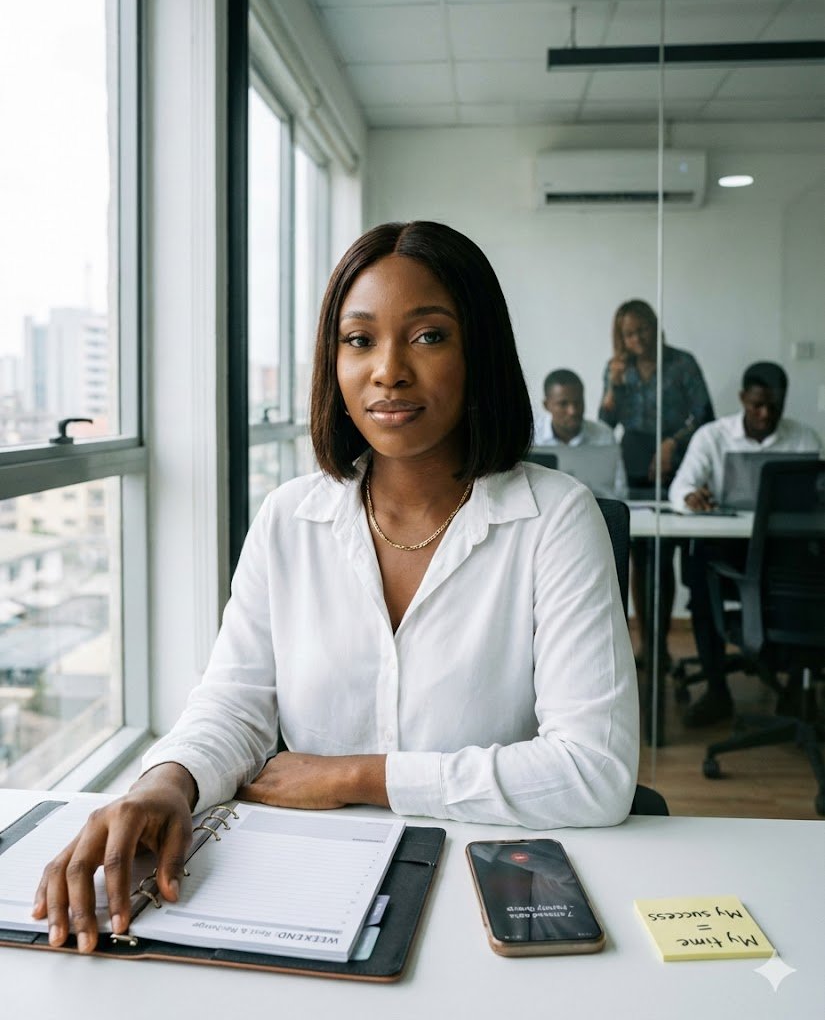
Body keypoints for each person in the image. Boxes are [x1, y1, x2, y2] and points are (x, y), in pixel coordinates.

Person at [34, 221, 639, 953]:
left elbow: (593, 772)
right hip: (302, 887)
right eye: (359, 340)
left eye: (428, 336)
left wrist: (357, 776)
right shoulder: (291, 518)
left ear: (479, 351)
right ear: (334, 360)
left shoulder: (555, 519)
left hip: (486, 897)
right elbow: (235, 703)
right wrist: (169, 781)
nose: (388, 370)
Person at [669, 360, 823, 726]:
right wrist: (691, 497)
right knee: (698, 567)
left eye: (774, 405)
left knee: (810, 576)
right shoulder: (713, 435)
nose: (766, 413)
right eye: (757, 404)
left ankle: (795, 688)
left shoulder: (803, 438)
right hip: (728, 549)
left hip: (783, 553)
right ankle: (717, 691)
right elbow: (680, 485)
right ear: (742, 398)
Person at [598, 299, 714, 668]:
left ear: (655, 326)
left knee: (665, 556)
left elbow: (705, 415)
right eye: (629, 334)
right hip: (632, 463)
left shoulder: (682, 363)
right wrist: (613, 388)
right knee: (639, 556)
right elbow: (604, 425)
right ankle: (646, 644)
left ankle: (660, 643)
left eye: (643, 329)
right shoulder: (616, 369)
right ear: (621, 338)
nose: (638, 339)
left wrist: (673, 442)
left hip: (675, 465)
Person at [534, 368, 628, 498]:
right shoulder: (531, 437)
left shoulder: (604, 435)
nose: (572, 411)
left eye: (577, 403)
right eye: (563, 404)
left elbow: (620, 492)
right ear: (546, 405)